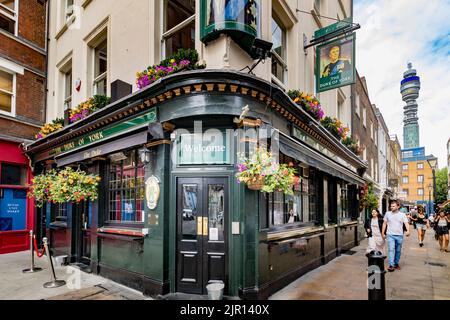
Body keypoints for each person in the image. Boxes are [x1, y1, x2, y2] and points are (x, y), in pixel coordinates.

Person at [382, 199, 410, 272]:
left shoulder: (402, 215)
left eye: (393, 206)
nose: (391, 207)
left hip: (399, 235)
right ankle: (391, 265)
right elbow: (384, 223)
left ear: (398, 206)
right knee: (391, 249)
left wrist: (408, 231)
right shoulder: (387, 214)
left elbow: (406, 223)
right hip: (390, 234)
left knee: (398, 251)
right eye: (391, 206)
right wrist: (383, 233)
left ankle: (396, 263)